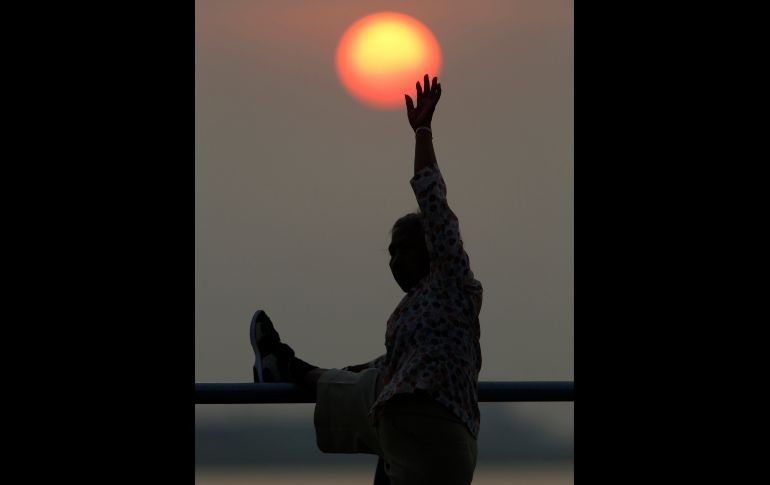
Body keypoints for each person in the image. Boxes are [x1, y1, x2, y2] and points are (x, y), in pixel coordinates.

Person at [249, 74, 483, 485]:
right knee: (369, 381)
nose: (392, 260)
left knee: (372, 385)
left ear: (428, 247)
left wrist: (423, 131)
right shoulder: (408, 317)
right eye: (388, 253)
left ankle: (285, 364)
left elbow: (434, 201)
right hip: (399, 426)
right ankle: (284, 365)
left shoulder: (452, 280)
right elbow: (385, 365)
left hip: (432, 425)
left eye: (401, 249)